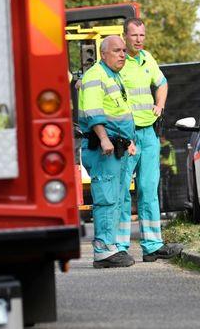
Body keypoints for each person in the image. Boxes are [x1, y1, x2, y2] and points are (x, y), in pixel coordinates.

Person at [118, 18, 182, 262]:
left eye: (142, 35)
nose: (138, 40)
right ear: (124, 35)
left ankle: (153, 246)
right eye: (134, 35)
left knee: (148, 190)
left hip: (149, 133)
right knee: (122, 190)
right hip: (126, 134)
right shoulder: (119, 61)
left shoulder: (147, 58)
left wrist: (160, 105)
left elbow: (162, 83)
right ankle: (120, 248)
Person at [78, 35, 137, 268]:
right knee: (106, 198)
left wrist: (130, 141)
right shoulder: (95, 75)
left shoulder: (114, 76)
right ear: (103, 54)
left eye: (123, 50)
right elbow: (94, 113)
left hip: (117, 147)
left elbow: (120, 112)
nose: (122, 54)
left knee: (116, 199)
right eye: (116, 50)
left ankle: (110, 247)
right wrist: (103, 139)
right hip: (104, 147)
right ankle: (103, 250)